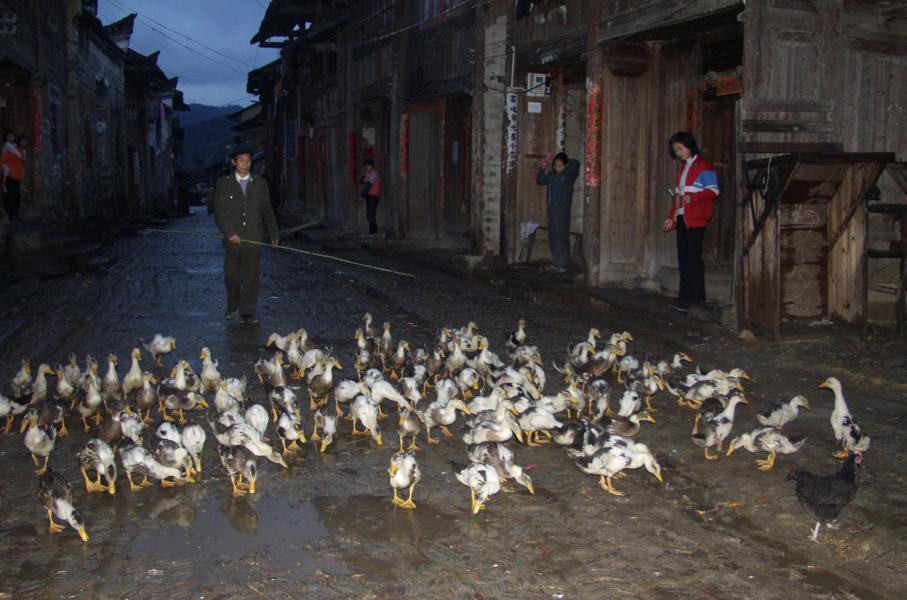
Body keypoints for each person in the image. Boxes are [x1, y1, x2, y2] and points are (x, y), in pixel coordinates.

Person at [213, 146, 279, 324]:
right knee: (231, 276)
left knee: (251, 276)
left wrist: (273, 232)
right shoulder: (224, 184)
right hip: (232, 240)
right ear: (234, 162)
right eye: (241, 160)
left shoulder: (260, 183)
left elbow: (267, 210)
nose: (245, 164)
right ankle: (233, 306)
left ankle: (247, 311)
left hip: (253, 237)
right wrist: (229, 233)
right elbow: (220, 213)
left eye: (248, 161)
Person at [662, 131, 719, 313]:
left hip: (696, 219)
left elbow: (713, 191)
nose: (678, 153)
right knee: (686, 259)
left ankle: (688, 298)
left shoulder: (704, 167)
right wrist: (672, 217)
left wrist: (692, 199)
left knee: (691, 260)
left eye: (680, 148)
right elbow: (679, 196)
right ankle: (695, 296)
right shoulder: (684, 168)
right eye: (676, 150)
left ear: (689, 146)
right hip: (683, 218)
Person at [536, 151, 580, 273]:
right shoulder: (553, 175)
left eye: (560, 165)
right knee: (554, 237)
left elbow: (576, 163)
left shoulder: (569, 175)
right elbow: (540, 180)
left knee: (562, 237)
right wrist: (544, 164)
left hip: (562, 212)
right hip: (553, 211)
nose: (557, 168)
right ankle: (556, 262)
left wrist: (560, 155)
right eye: (555, 165)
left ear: (566, 166)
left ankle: (563, 264)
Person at [0, 134, 28, 220]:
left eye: (26, 142)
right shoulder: (12, 151)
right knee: (11, 198)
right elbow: (1, 161)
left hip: (17, 178)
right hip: (10, 178)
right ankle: (11, 216)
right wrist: (6, 169)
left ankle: (16, 215)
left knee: (17, 198)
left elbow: (22, 167)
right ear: (19, 142)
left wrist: (22, 183)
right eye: (23, 142)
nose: (25, 143)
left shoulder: (23, 152)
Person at [359, 158, 380, 235]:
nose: (367, 167)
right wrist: (364, 177)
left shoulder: (374, 174)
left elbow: (368, 186)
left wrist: (361, 196)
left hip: (374, 197)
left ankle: (372, 233)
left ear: (371, 166)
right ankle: (374, 232)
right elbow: (361, 182)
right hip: (369, 197)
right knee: (369, 215)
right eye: (366, 166)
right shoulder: (368, 173)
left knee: (371, 215)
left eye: (368, 166)